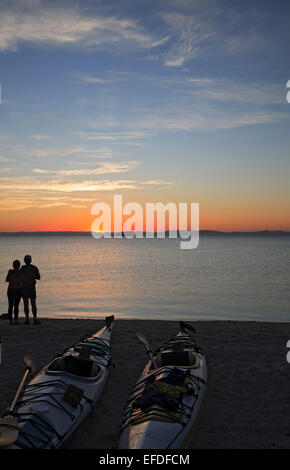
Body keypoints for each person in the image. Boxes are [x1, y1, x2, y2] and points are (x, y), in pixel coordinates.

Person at [20, 254, 41, 325]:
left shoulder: (22, 268)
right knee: (33, 304)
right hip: (32, 288)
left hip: (25, 288)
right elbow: (38, 277)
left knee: (26, 304)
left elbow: (20, 278)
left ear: (24, 260)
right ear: (30, 260)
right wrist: (32, 278)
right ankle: (35, 319)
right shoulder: (34, 268)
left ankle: (27, 319)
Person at [6, 260, 22, 325]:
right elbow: (23, 280)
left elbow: (7, 279)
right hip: (18, 290)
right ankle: (15, 320)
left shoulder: (10, 272)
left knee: (10, 305)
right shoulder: (20, 272)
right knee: (16, 306)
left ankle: (11, 321)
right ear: (19, 265)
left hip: (11, 290)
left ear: (13, 265)